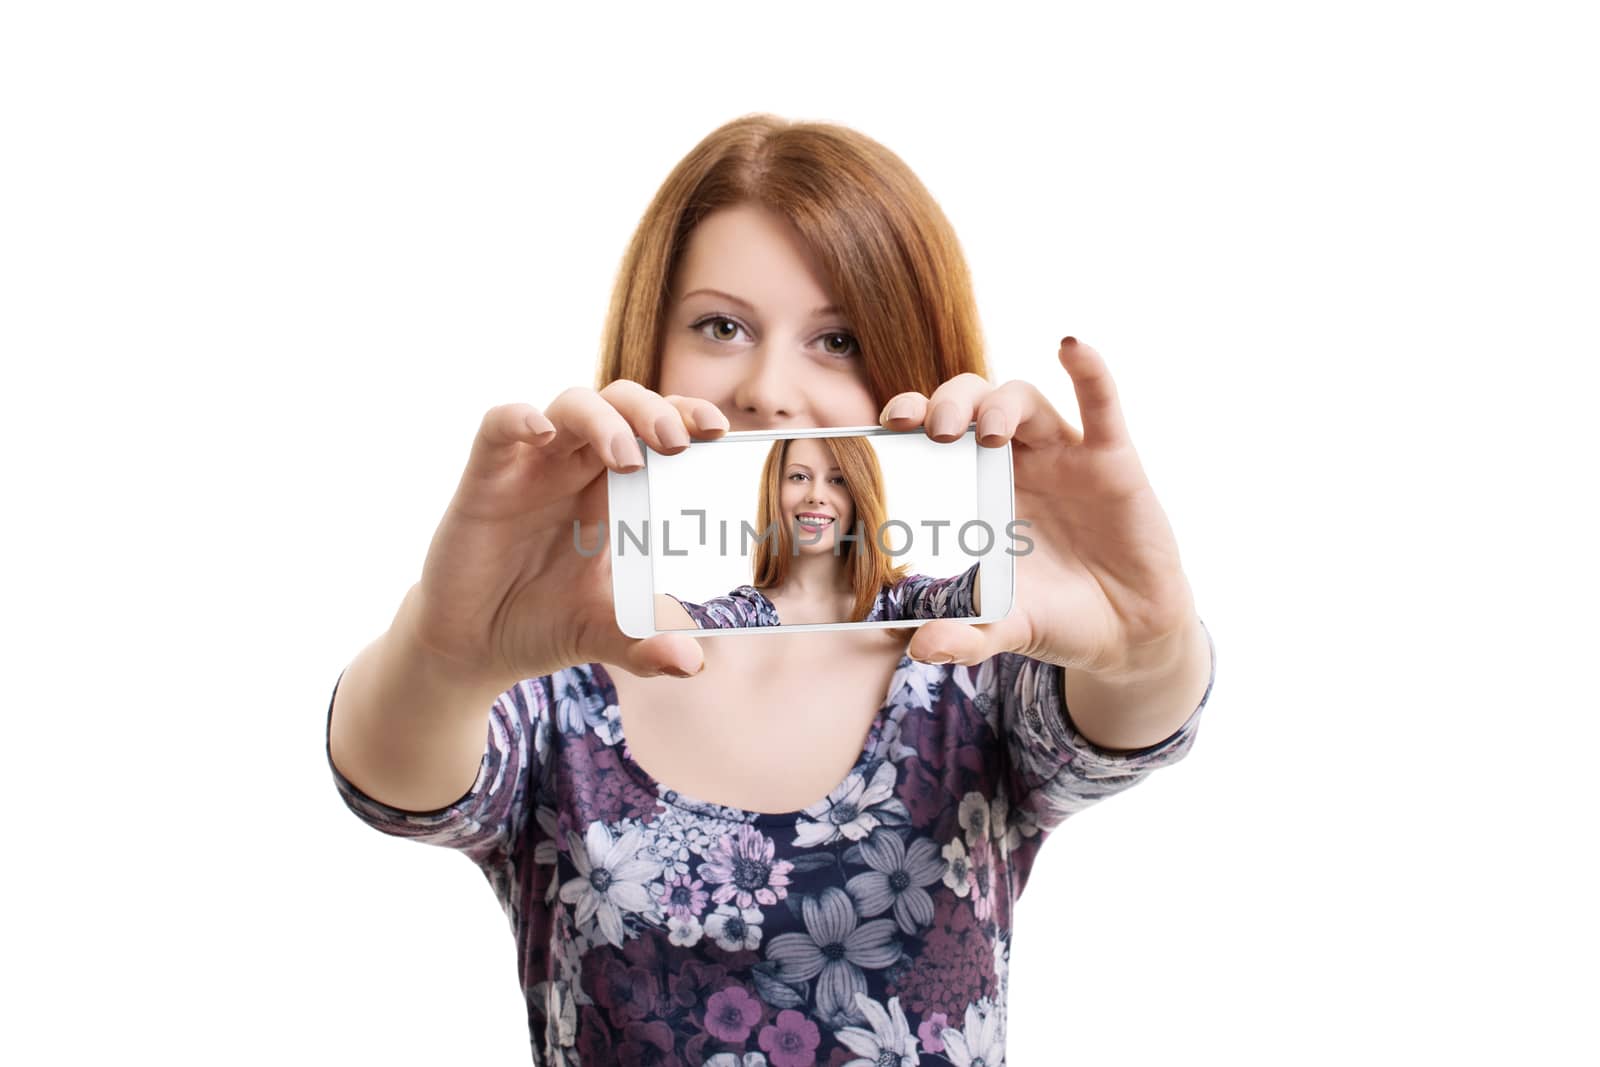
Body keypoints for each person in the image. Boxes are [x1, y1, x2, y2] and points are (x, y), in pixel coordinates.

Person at [325, 113, 1218, 1066]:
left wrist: (1150, 639)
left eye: (838, 339)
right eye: (722, 326)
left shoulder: (978, 651)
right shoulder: (557, 663)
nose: (769, 389)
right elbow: (395, 781)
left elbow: (1126, 718)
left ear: (914, 364)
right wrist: (444, 651)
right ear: (650, 349)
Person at [658, 434, 983, 631]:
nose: (816, 494)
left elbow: (967, 596)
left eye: (838, 479)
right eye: (799, 477)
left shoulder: (903, 602)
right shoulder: (748, 613)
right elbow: (682, 620)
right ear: (775, 491)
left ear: (861, 497)